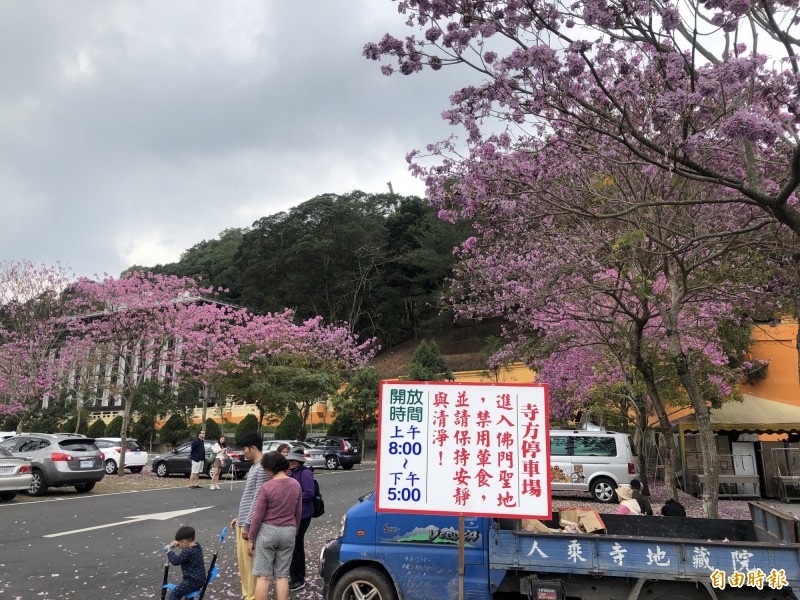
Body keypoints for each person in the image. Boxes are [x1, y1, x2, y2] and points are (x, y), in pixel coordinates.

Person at [247, 451, 302, 600]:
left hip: (268, 531)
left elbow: (257, 516)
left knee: (263, 577)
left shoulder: (266, 487)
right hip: (289, 531)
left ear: (269, 468)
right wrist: (294, 531)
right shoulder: (296, 485)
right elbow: (298, 512)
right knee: (282, 576)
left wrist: (251, 538)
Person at [229, 433, 269, 600]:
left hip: (249, 524)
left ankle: (252, 596)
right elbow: (249, 496)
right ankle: (247, 595)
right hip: (244, 520)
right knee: (243, 565)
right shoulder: (254, 466)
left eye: (245, 449)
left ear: (254, 448)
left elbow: (258, 499)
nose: (243, 452)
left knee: (250, 565)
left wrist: (248, 524)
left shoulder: (262, 468)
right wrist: (240, 517)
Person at [287, 446, 315, 591]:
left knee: (296, 545)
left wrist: (293, 498)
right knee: (295, 545)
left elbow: (309, 492)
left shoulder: (304, 473)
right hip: (296, 514)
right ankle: (296, 576)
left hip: (303, 514)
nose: (291, 462)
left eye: (293, 460)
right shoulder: (293, 472)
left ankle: (298, 578)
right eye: (290, 460)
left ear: (299, 461)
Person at [165, 525, 205, 600]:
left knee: (174, 594)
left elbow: (176, 561)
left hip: (192, 581)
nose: (179, 545)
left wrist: (169, 551)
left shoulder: (188, 551)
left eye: (180, 544)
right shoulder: (197, 545)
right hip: (199, 579)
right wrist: (177, 542)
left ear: (184, 542)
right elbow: (186, 543)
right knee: (185, 592)